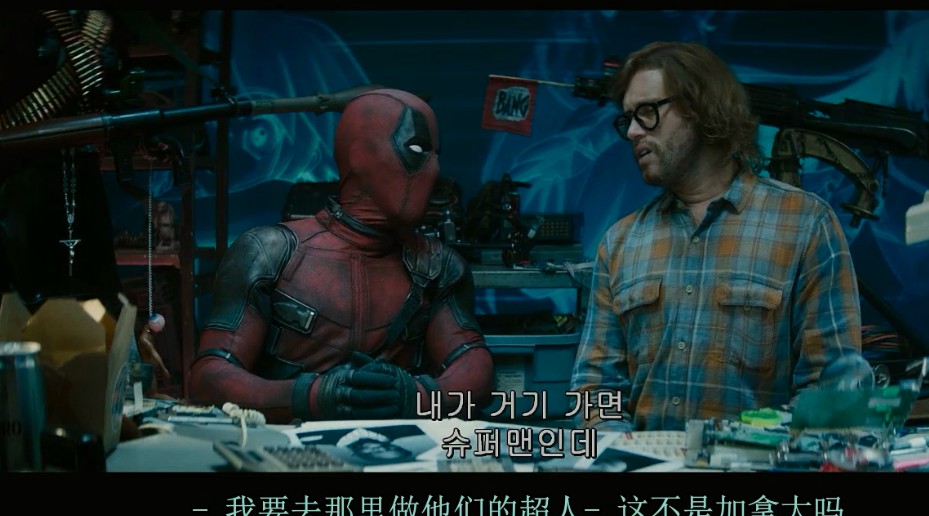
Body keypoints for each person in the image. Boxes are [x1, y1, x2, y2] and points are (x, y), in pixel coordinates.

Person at [570, 41, 870, 432]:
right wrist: (626, 452)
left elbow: (833, 392)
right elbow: (594, 388)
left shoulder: (805, 225)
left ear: (700, 108)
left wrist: (749, 451)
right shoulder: (620, 244)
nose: (631, 131)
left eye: (647, 112)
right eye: (627, 118)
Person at [188, 87, 494, 424]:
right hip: (287, 445)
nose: (434, 170)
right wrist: (310, 397)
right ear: (361, 154)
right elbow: (209, 377)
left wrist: (417, 395)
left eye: (437, 155)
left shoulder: (437, 265)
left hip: (396, 445)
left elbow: (475, 369)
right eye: (418, 150)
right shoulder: (269, 252)